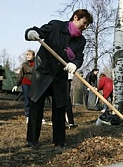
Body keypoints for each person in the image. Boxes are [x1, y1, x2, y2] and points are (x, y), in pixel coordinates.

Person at [24, 9, 93, 149]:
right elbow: (38, 31)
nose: (85, 27)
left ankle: (59, 141)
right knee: (36, 106)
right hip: (43, 72)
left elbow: (79, 57)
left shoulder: (80, 41)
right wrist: (30, 33)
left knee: (60, 107)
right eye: (84, 23)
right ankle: (32, 141)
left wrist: (74, 64)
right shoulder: (56, 26)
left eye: (87, 25)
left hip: (60, 76)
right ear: (75, 17)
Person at [13, 50, 35, 123]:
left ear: (33, 56)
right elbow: (20, 75)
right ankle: (27, 116)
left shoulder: (37, 64)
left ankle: (34, 115)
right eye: (27, 55)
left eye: (29, 55)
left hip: (34, 84)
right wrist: (16, 85)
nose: (28, 56)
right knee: (27, 100)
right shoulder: (24, 65)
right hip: (25, 83)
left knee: (34, 100)